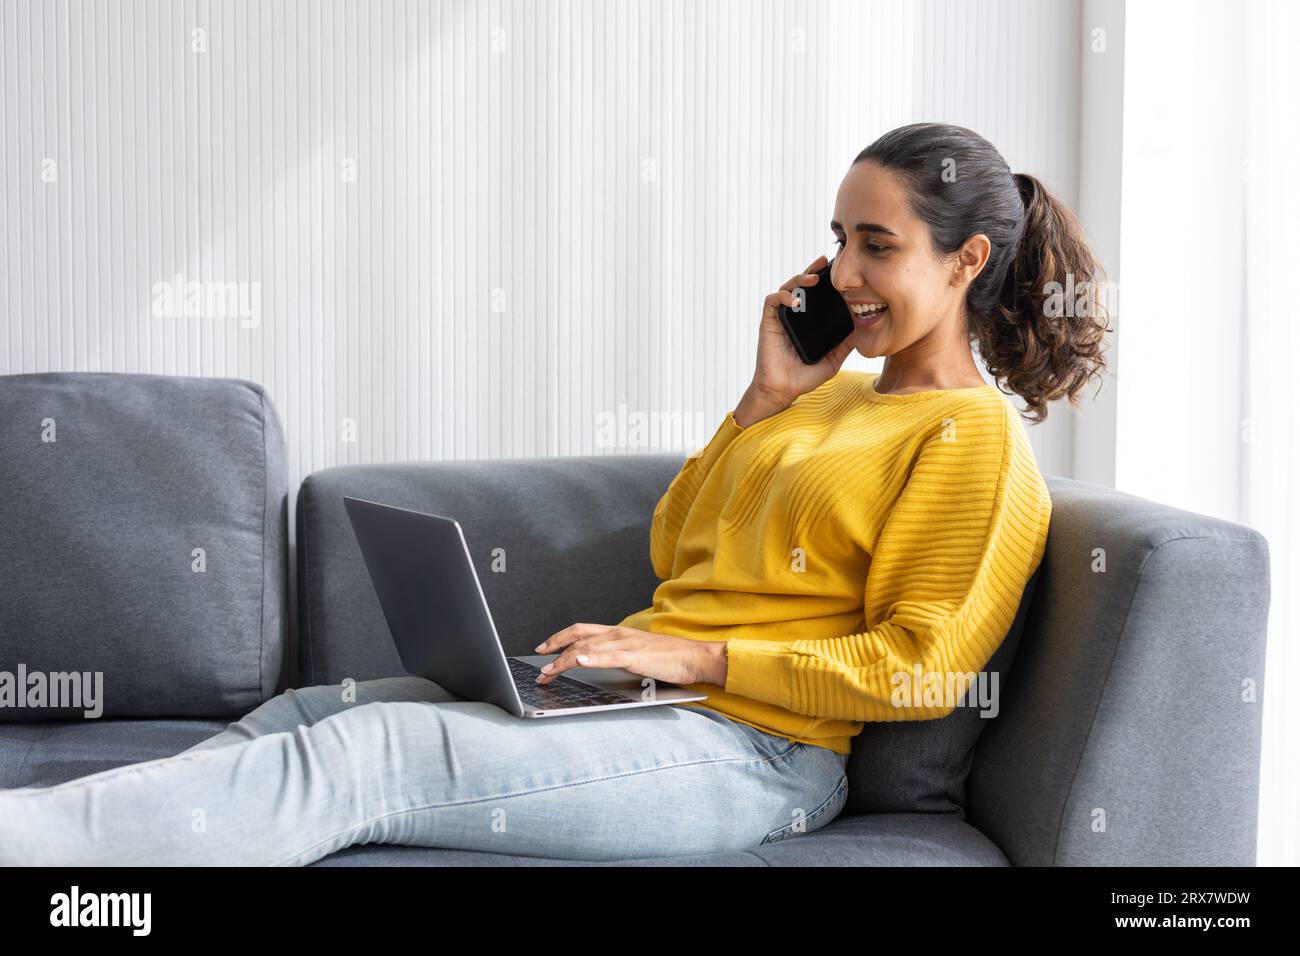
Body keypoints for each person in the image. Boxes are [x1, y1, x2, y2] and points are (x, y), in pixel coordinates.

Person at [0, 122, 1108, 866]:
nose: (843, 274)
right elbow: (681, 550)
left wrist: (696, 657)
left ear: (965, 261)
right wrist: (766, 394)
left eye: (877, 245)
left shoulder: (972, 441)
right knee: (310, 710)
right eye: (836, 240)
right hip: (654, 705)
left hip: (757, 751)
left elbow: (925, 666)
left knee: (362, 757)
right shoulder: (825, 398)